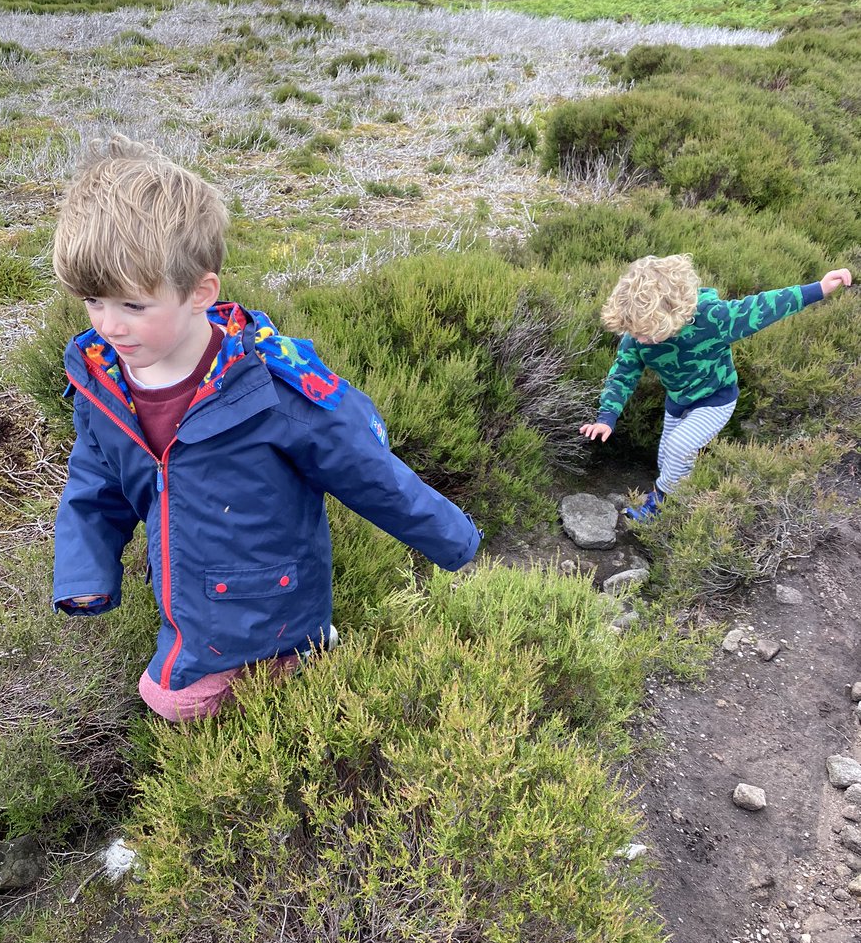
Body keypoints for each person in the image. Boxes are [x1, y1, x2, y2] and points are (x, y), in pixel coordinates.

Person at [52, 136, 481, 722]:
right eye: (93, 301)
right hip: (190, 603)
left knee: (291, 708)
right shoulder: (104, 385)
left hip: (280, 598)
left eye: (132, 306)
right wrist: (85, 571)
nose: (108, 327)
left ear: (201, 292)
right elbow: (94, 484)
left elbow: (368, 470)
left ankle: (305, 663)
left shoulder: (271, 389)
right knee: (180, 710)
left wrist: (454, 542)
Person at [579, 254, 853, 520]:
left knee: (679, 447)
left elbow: (761, 307)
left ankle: (662, 509)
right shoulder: (635, 338)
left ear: (672, 314)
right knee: (667, 460)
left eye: (645, 331)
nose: (639, 338)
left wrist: (818, 289)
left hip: (716, 399)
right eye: (633, 331)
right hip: (678, 402)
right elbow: (622, 374)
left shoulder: (712, 318)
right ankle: (687, 498)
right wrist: (607, 417)